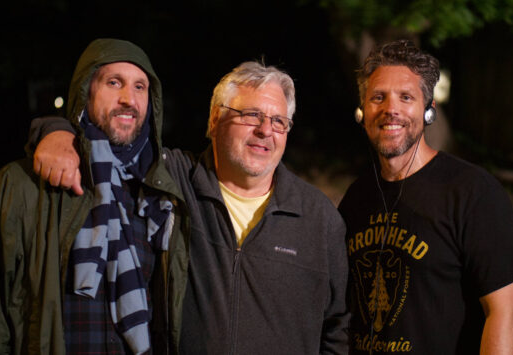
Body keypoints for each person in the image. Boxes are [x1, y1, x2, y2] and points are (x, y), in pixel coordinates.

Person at [26, 61, 350, 354]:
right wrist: (56, 131)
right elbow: (112, 144)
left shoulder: (319, 219)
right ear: (214, 119)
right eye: (251, 115)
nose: (266, 130)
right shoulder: (174, 181)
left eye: (279, 121)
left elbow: (338, 329)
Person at [0, 38, 189, 355]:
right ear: (86, 91)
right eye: (114, 83)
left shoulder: (159, 199)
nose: (129, 98)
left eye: (140, 87)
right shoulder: (23, 184)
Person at [338, 39, 513, 354]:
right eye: (378, 97)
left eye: (406, 97)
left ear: (428, 110)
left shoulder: (473, 193)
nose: (390, 109)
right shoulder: (357, 197)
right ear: (362, 111)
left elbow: (504, 314)